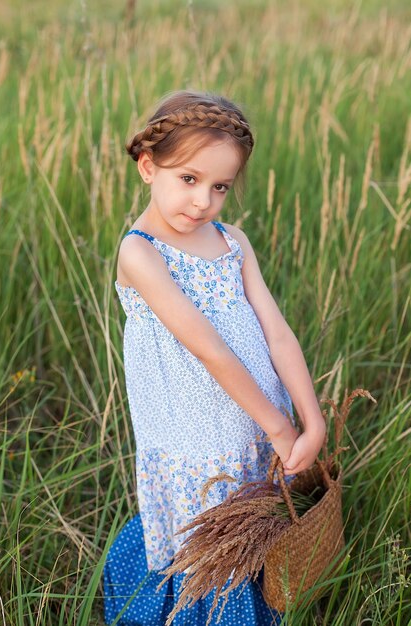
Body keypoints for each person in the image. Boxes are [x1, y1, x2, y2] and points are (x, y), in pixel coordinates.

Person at [103, 89, 326, 626]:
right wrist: (279, 427)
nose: (203, 201)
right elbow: (211, 351)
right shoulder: (141, 253)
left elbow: (278, 336)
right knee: (207, 543)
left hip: (255, 423)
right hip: (196, 440)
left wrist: (309, 419)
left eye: (219, 186)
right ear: (147, 166)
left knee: (256, 530)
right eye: (188, 179)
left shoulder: (234, 242)